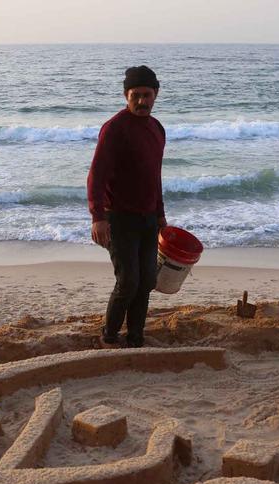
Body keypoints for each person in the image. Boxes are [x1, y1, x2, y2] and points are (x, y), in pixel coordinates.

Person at [87, 65, 167, 348]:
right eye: (136, 95)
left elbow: (154, 175)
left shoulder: (157, 129)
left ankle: (135, 338)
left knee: (146, 282)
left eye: (147, 95)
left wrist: (160, 214)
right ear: (126, 95)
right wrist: (98, 217)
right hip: (118, 218)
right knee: (128, 281)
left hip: (147, 219)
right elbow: (96, 175)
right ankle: (109, 336)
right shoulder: (114, 129)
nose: (142, 101)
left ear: (156, 94)